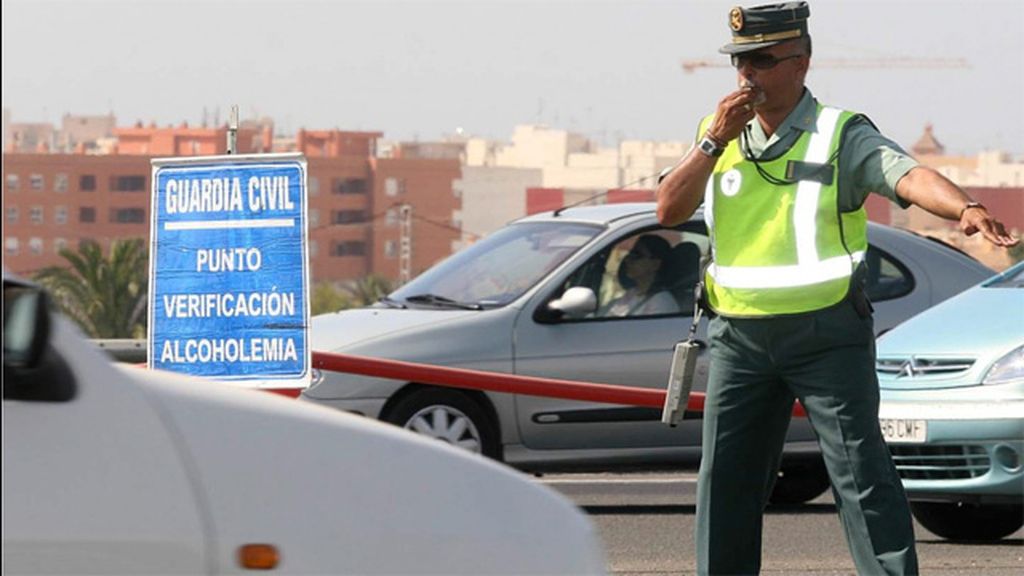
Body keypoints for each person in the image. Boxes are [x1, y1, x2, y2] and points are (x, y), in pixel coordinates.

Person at [655, 3, 1018, 575]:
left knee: (860, 475)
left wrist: (965, 208)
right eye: (740, 62)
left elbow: (907, 174)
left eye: (762, 61)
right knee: (725, 481)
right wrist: (712, 144)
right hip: (738, 339)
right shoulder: (716, 133)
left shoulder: (840, 134)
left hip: (825, 334)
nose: (747, 75)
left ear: (801, 62)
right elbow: (669, 208)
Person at [601, 235, 679, 317]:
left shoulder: (662, 301)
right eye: (630, 254)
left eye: (637, 255)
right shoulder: (631, 294)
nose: (627, 260)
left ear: (655, 264)